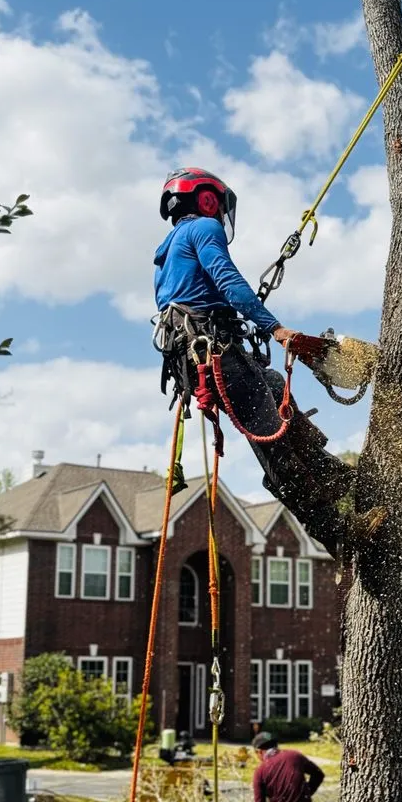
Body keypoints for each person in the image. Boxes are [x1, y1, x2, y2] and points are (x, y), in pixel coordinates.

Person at [153, 167, 356, 555]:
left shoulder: (167, 251)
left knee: (275, 388)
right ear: (208, 199)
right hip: (212, 351)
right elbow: (227, 280)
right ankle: (339, 532)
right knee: (273, 439)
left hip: (202, 353)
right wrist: (276, 329)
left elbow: (204, 295)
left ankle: (335, 478)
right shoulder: (203, 230)